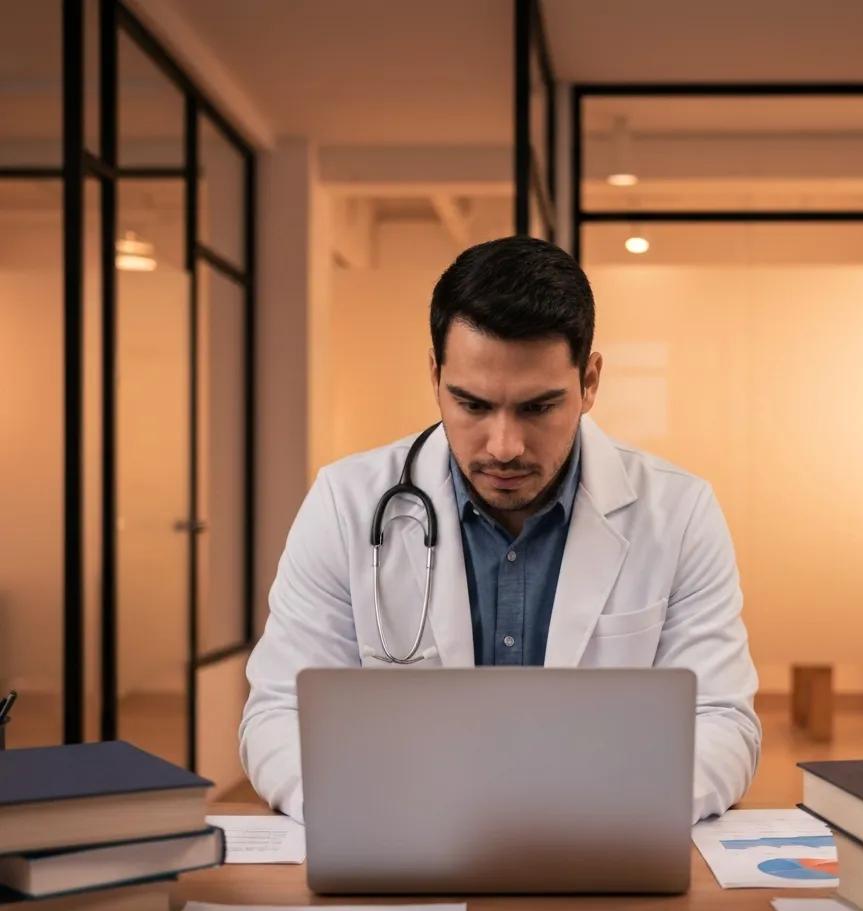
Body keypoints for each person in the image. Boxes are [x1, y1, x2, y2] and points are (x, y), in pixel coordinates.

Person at [240, 235, 760, 823]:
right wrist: (370, 816)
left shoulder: (679, 512)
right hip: (403, 841)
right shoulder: (346, 503)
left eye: (538, 407)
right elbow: (279, 714)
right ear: (435, 375)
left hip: (597, 843)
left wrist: (599, 820)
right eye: (473, 405)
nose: (504, 447)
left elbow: (721, 722)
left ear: (589, 382)